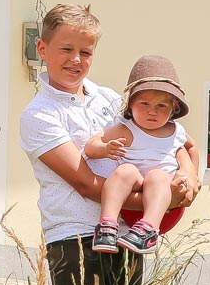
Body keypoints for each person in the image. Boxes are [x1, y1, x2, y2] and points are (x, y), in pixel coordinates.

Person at [5, 7, 199, 285]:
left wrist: (188, 178)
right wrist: (164, 201)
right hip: (74, 230)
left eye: (86, 51)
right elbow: (86, 184)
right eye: (66, 49)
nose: (76, 60)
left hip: (126, 231)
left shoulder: (113, 100)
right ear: (42, 49)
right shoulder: (39, 115)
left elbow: (176, 142)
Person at [83, 57, 195, 255]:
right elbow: (91, 146)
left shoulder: (175, 132)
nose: (152, 111)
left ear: (173, 108)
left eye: (161, 106)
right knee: (125, 170)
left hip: (166, 207)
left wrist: (189, 175)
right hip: (130, 206)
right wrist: (105, 149)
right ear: (131, 105)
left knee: (157, 176)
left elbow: (190, 150)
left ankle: (148, 232)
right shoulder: (126, 130)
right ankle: (107, 226)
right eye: (144, 103)